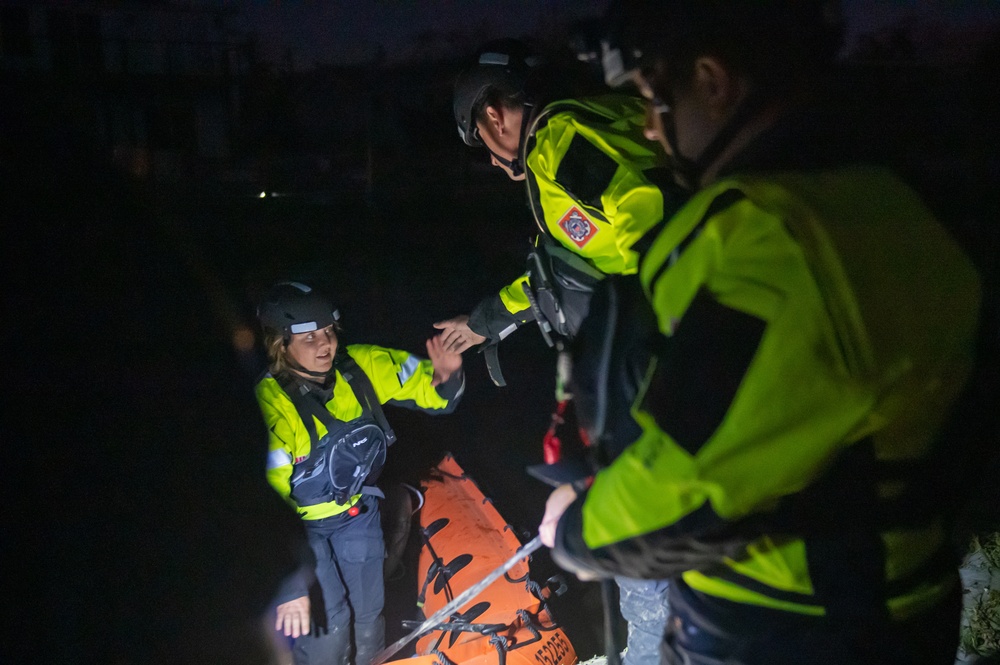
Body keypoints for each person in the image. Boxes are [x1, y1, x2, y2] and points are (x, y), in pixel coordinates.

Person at [539, 2, 983, 664]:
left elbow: (699, 481)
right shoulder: (897, 202)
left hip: (786, 621)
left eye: (655, 101)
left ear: (713, 82)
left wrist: (577, 531)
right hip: (909, 597)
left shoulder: (768, 239)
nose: (654, 133)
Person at [435, 39, 680, 665]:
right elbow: (570, 267)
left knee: (636, 537)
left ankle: (656, 652)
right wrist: (488, 321)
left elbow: (661, 225)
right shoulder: (583, 125)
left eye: (478, 143)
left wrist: (661, 346)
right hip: (636, 372)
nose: (491, 162)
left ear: (492, 115)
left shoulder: (561, 141)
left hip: (645, 379)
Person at [256, 281, 464, 665]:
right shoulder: (272, 407)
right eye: (309, 337)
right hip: (303, 532)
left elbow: (430, 389)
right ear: (281, 344)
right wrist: (290, 587)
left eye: (329, 332)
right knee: (331, 625)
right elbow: (262, 505)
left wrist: (446, 378)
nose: (325, 345)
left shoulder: (361, 366)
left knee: (369, 619)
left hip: (356, 513)